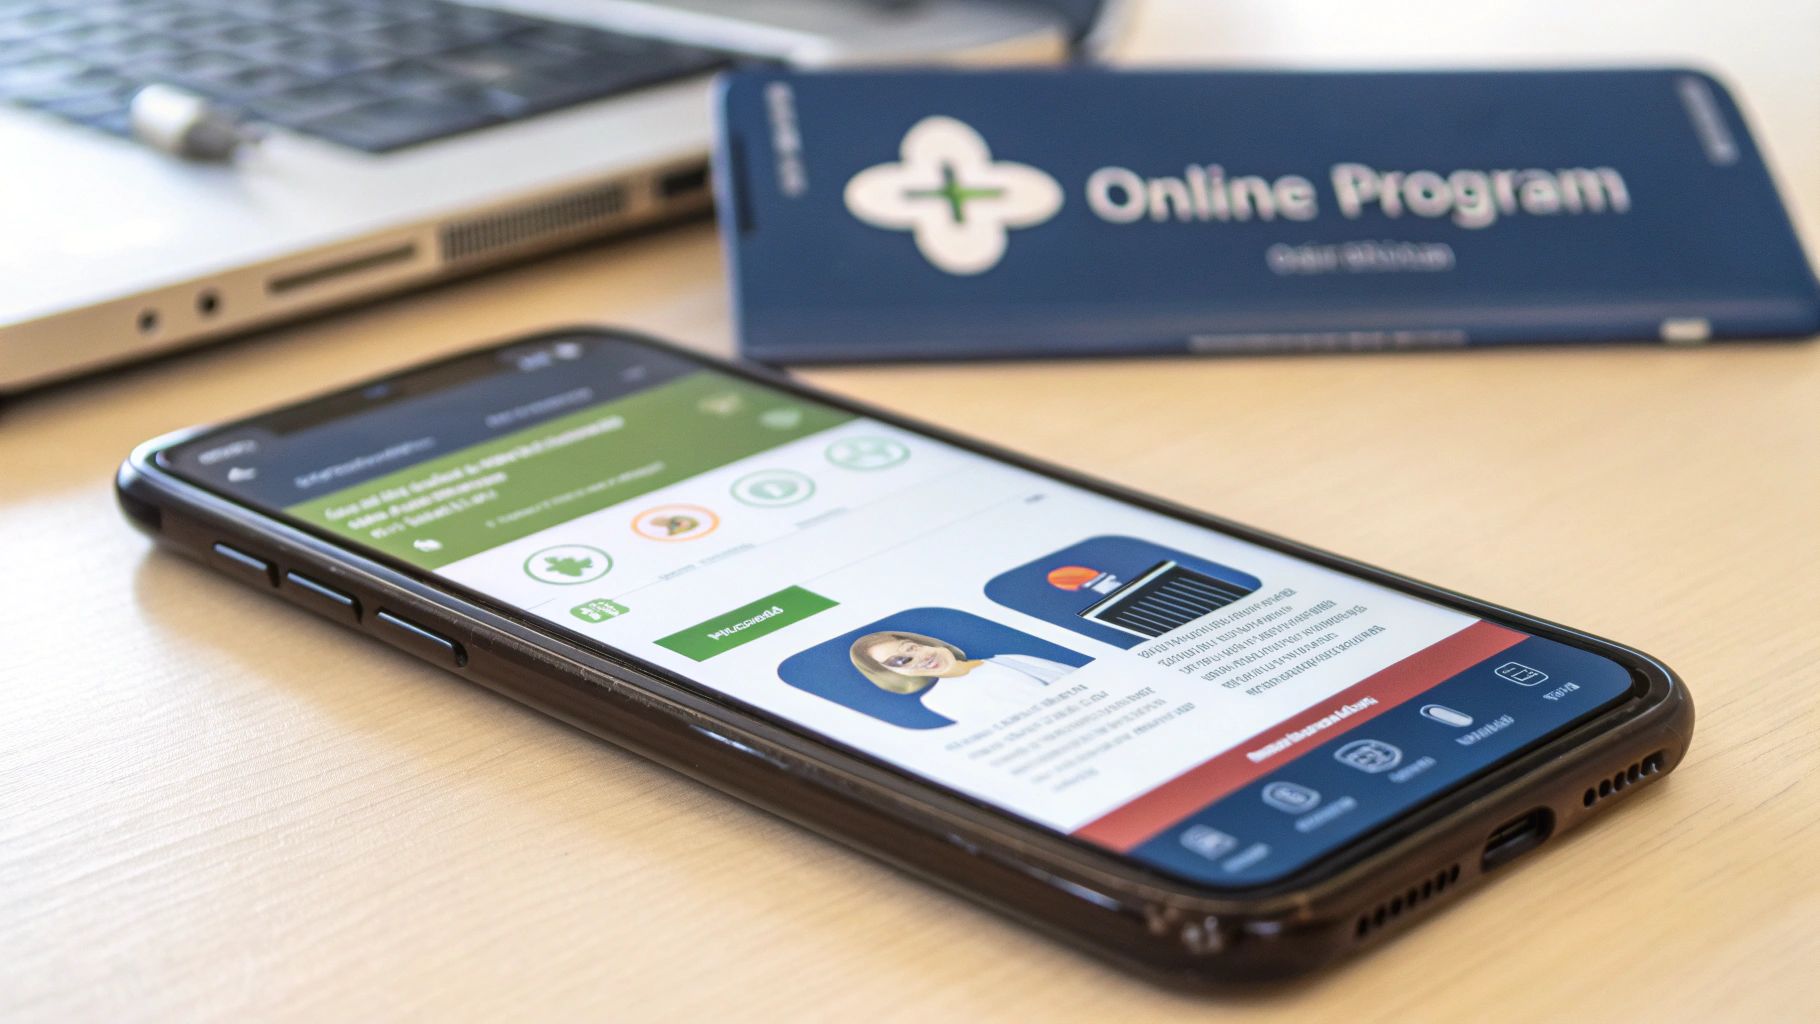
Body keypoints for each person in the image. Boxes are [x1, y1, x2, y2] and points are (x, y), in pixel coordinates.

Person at [849, 630, 1077, 725]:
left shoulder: (1010, 658)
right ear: (893, 674)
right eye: (901, 661)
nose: (921, 657)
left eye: (911, 648)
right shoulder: (939, 700)